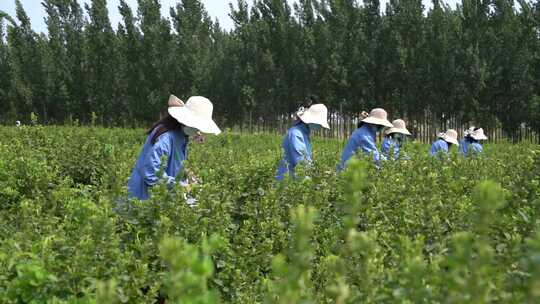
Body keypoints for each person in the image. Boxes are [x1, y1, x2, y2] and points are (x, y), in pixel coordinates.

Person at [127, 95, 221, 200]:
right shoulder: (166, 137)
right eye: (196, 126)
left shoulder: (181, 136)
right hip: (143, 198)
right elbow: (151, 173)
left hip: (161, 198)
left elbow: (172, 163)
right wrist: (182, 187)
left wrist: (186, 174)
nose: (198, 131)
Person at [276, 103, 330, 181]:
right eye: (319, 123)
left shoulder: (303, 134)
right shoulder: (296, 134)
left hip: (296, 180)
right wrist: (314, 180)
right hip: (287, 183)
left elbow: (307, 160)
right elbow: (301, 163)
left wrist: (318, 173)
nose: (320, 126)